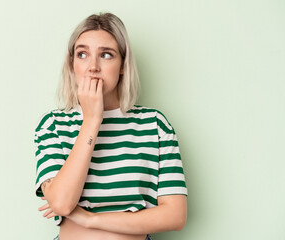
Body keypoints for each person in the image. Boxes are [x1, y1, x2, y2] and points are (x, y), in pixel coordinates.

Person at [34, 12, 187, 240]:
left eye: (106, 55)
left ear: (123, 65)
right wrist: (92, 120)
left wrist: (91, 219)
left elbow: (175, 216)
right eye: (82, 54)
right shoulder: (54, 125)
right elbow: (62, 204)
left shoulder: (154, 125)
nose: (93, 66)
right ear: (72, 64)